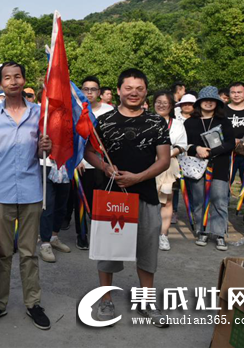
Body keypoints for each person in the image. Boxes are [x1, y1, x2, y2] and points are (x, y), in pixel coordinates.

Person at [84, 68, 171, 327]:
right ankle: (105, 299)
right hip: (112, 198)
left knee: (147, 251)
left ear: (146, 91)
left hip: (146, 196)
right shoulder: (106, 121)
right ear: (119, 90)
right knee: (108, 252)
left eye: (139, 88)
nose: (133, 92)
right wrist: (105, 167)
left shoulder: (156, 122)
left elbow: (164, 160)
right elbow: (90, 152)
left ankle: (146, 302)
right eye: (128, 88)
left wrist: (138, 177)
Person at [0, 62, 52, 330]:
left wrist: (47, 147)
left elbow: (46, 154)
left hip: (32, 191)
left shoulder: (39, 114)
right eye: (7, 78)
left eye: (17, 76)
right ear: (1, 84)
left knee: (29, 253)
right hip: (0, 193)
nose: (12, 81)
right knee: (3, 253)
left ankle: (33, 303)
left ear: (23, 80)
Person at [183, 87, 235, 251]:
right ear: (199, 103)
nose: (208, 102)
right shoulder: (190, 122)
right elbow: (183, 145)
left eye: (212, 100)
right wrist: (197, 149)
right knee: (198, 199)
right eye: (205, 99)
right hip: (196, 165)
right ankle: (202, 230)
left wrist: (212, 152)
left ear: (217, 103)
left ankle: (219, 233)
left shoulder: (224, 121)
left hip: (219, 164)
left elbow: (230, 143)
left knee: (219, 199)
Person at [67, 76, 114, 250]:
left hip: (103, 165)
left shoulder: (109, 110)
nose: (89, 92)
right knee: (80, 201)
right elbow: (71, 137)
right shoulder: (75, 110)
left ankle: (100, 234)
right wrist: (76, 158)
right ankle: (82, 235)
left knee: (101, 202)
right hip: (82, 165)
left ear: (99, 92)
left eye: (93, 89)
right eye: (85, 89)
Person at [153, 91, 187, 251]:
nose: (161, 105)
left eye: (165, 103)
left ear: (171, 106)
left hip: (168, 166)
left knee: (166, 201)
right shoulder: (147, 121)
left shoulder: (177, 124)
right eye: (158, 102)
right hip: (147, 165)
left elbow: (182, 145)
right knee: (145, 200)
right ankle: (145, 234)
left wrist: (165, 155)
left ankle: (163, 235)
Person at [226, 82, 244, 224]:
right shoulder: (223, 111)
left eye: (239, 92)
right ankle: (222, 209)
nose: (236, 95)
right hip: (227, 152)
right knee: (226, 181)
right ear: (229, 94)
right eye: (233, 92)